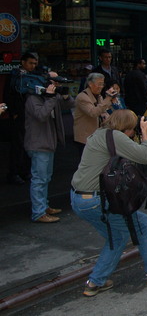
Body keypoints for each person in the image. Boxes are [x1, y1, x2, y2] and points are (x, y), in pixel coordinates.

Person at [70, 110, 147, 296]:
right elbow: (146, 156)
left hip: (79, 199)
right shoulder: (116, 137)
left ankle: (95, 283)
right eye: (133, 128)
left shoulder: (101, 133)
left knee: (117, 237)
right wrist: (145, 134)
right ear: (127, 128)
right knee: (141, 224)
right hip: (96, 200)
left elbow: (127, 151)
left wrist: (143, 137)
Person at [25, 72, 75, 223]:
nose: (57, 85)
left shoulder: (51, 96)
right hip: (39, 144)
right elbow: (42, 115)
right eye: (54, 82)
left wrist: (65, 96)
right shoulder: (33, 98)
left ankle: (44, 206)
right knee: (39, 179)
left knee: (45, 178)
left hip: (48, 143)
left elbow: (69, 104)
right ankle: (38, 212)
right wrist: (50, 97)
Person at [3, 51, 39, 184]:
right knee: (18, 145)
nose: (33, 66)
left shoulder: (34, 75)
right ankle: (14, 173)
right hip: (19, 114)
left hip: (31, 114)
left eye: (35, 63)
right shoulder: (15, 76)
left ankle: (25, 171)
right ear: (23, 62)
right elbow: (8, 95)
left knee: (29, 144)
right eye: (30, 63)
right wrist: (13, 112)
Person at [74, 73, 116, 156]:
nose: (101, 86)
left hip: (97, 137)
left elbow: (103, 111)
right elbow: (93, 113)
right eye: (99, 84)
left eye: (102, 84)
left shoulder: (98, 96)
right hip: (85, 138)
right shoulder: (82, 97)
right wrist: (107, 98)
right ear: (90, 84)